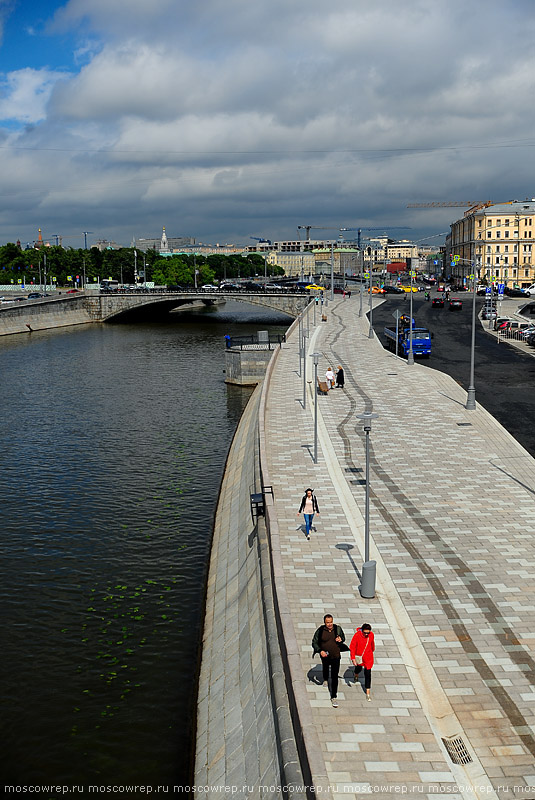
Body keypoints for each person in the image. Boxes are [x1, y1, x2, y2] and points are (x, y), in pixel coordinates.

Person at [312, 614, 347, 708]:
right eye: (327, 622)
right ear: (324, 622)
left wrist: (341, 639)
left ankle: (334, 696)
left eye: (331, 622)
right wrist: (320, 651)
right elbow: (314, 642)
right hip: (325, 656)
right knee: (326, 668)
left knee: (335, 676)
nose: (330, 624)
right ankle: (325, 679)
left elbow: (343, 638)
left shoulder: (337, 629)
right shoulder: (320, 631)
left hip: (336, 656)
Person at [350, 623, 375, 701]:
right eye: (365, 633)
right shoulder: (357, 635)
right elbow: (352, 647)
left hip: (368, 657)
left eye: (368, 632)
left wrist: (372, 650)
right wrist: (353, 658)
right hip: (359, 656)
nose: (366, 634)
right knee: (358, 668)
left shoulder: (371, 635)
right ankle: (356, 674)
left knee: (368, 673)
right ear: (362, 631)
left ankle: (368, 692)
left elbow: (372, 644)